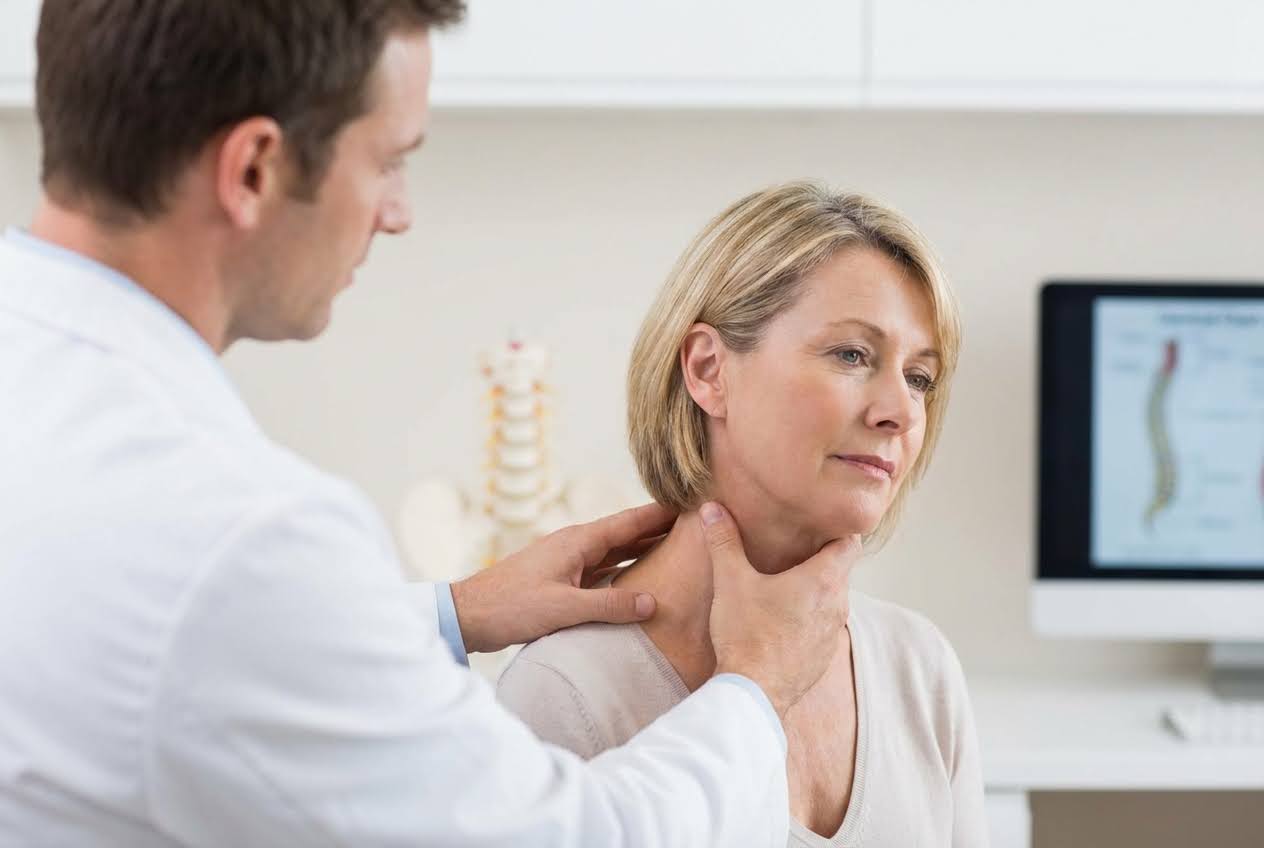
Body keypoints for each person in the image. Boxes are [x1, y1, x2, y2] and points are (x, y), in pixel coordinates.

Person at [0, 3, 859, 846]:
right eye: (387, 163)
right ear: (254, 169)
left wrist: (450, 614)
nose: (397, 212)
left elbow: (159, 641)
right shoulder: (245, 539)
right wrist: (757, 686)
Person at [498, 182, 989, 846]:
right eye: (852, 355)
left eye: (919, 377)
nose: (900, 411)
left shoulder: (919, 667)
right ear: (709, 371)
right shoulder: (565, 692)